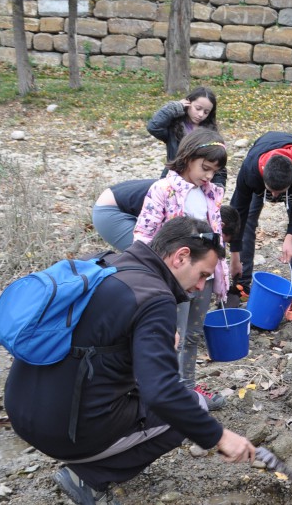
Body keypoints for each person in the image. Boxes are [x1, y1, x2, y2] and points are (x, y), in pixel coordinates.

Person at [3, 216, 256, 505]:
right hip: (59, 431)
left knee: (160, 392)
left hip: (21, 410)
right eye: (202, 275)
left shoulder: (107, 263)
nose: (200, 287)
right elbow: (162, 393)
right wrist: (219, 436)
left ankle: (93, 450)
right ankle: (88, 476)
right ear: (181, 257)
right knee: (190, 409)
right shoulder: (156, 299)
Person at [134, 130, 230, 409]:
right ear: (188, 158)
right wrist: (149, 276)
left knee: (192, 334)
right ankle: (163, 395)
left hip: (205, 276)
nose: (209, 176)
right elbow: (144, 233)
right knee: (169, 336)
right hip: (174, 279)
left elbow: (218, 235)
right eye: (205, 168)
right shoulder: (164, 189)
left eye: (215, 171)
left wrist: (221, 273)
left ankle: (188, 390)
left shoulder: (211, 195)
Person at [228, 131, 292, 323]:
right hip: (257, 172)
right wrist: (235, 256)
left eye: (279, 193)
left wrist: (290, 236)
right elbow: (238, 213)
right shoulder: (250, 169)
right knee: (247, 221)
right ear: (262, 173)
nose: (274, 197)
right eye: (270, 192)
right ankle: (242, 284)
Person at [92, 179, 240, 254]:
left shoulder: (206, 207)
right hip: (111, 211)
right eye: (221, 239)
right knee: (150, 254)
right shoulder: (192, 208)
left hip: (124, 202)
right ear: (221, 226)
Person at [147, 86, 225, 187]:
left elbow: (218, 165)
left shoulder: (211, 134)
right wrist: (174, 107)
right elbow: (154, 127)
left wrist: (219, 186)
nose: (201, 114)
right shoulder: (174, 128)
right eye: (198, 108)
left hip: (201, 184)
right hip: (173, 181)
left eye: (206, 112)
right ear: (188, 103)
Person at [92, 178, 156, 251]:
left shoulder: (166, 183)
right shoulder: (167, 192)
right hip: (110, 212)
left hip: (116, 198)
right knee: (148, 254)